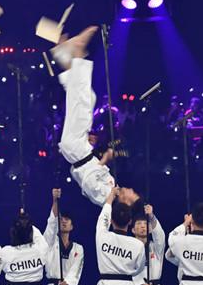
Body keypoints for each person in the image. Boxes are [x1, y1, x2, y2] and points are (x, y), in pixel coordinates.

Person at [52, 26, 140, 208]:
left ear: (127, 202)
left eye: (132, 195)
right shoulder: (112, 189)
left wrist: (104, 160)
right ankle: (65, 58)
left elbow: (87, 184)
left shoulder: (107, 198)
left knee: (82, 102)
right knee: (86, 98)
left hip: (77, 151)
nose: (131, 190)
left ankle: (77, 50)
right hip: (79, 150)